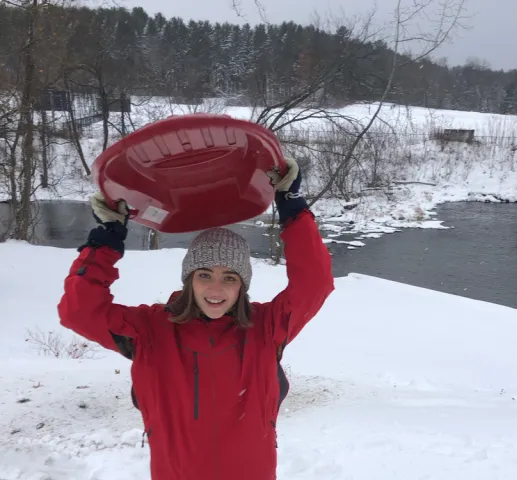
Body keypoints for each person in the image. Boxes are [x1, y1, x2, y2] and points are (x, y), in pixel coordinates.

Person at [57, 156, 334, 480]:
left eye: (230, 277)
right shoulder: (150, 331)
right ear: (189, 279)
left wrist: (292, 208)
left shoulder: (266, 328)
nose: (216, 288)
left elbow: (314, 282)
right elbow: (79, 311)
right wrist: (106, 240)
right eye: (205, 275)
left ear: (242, 285)